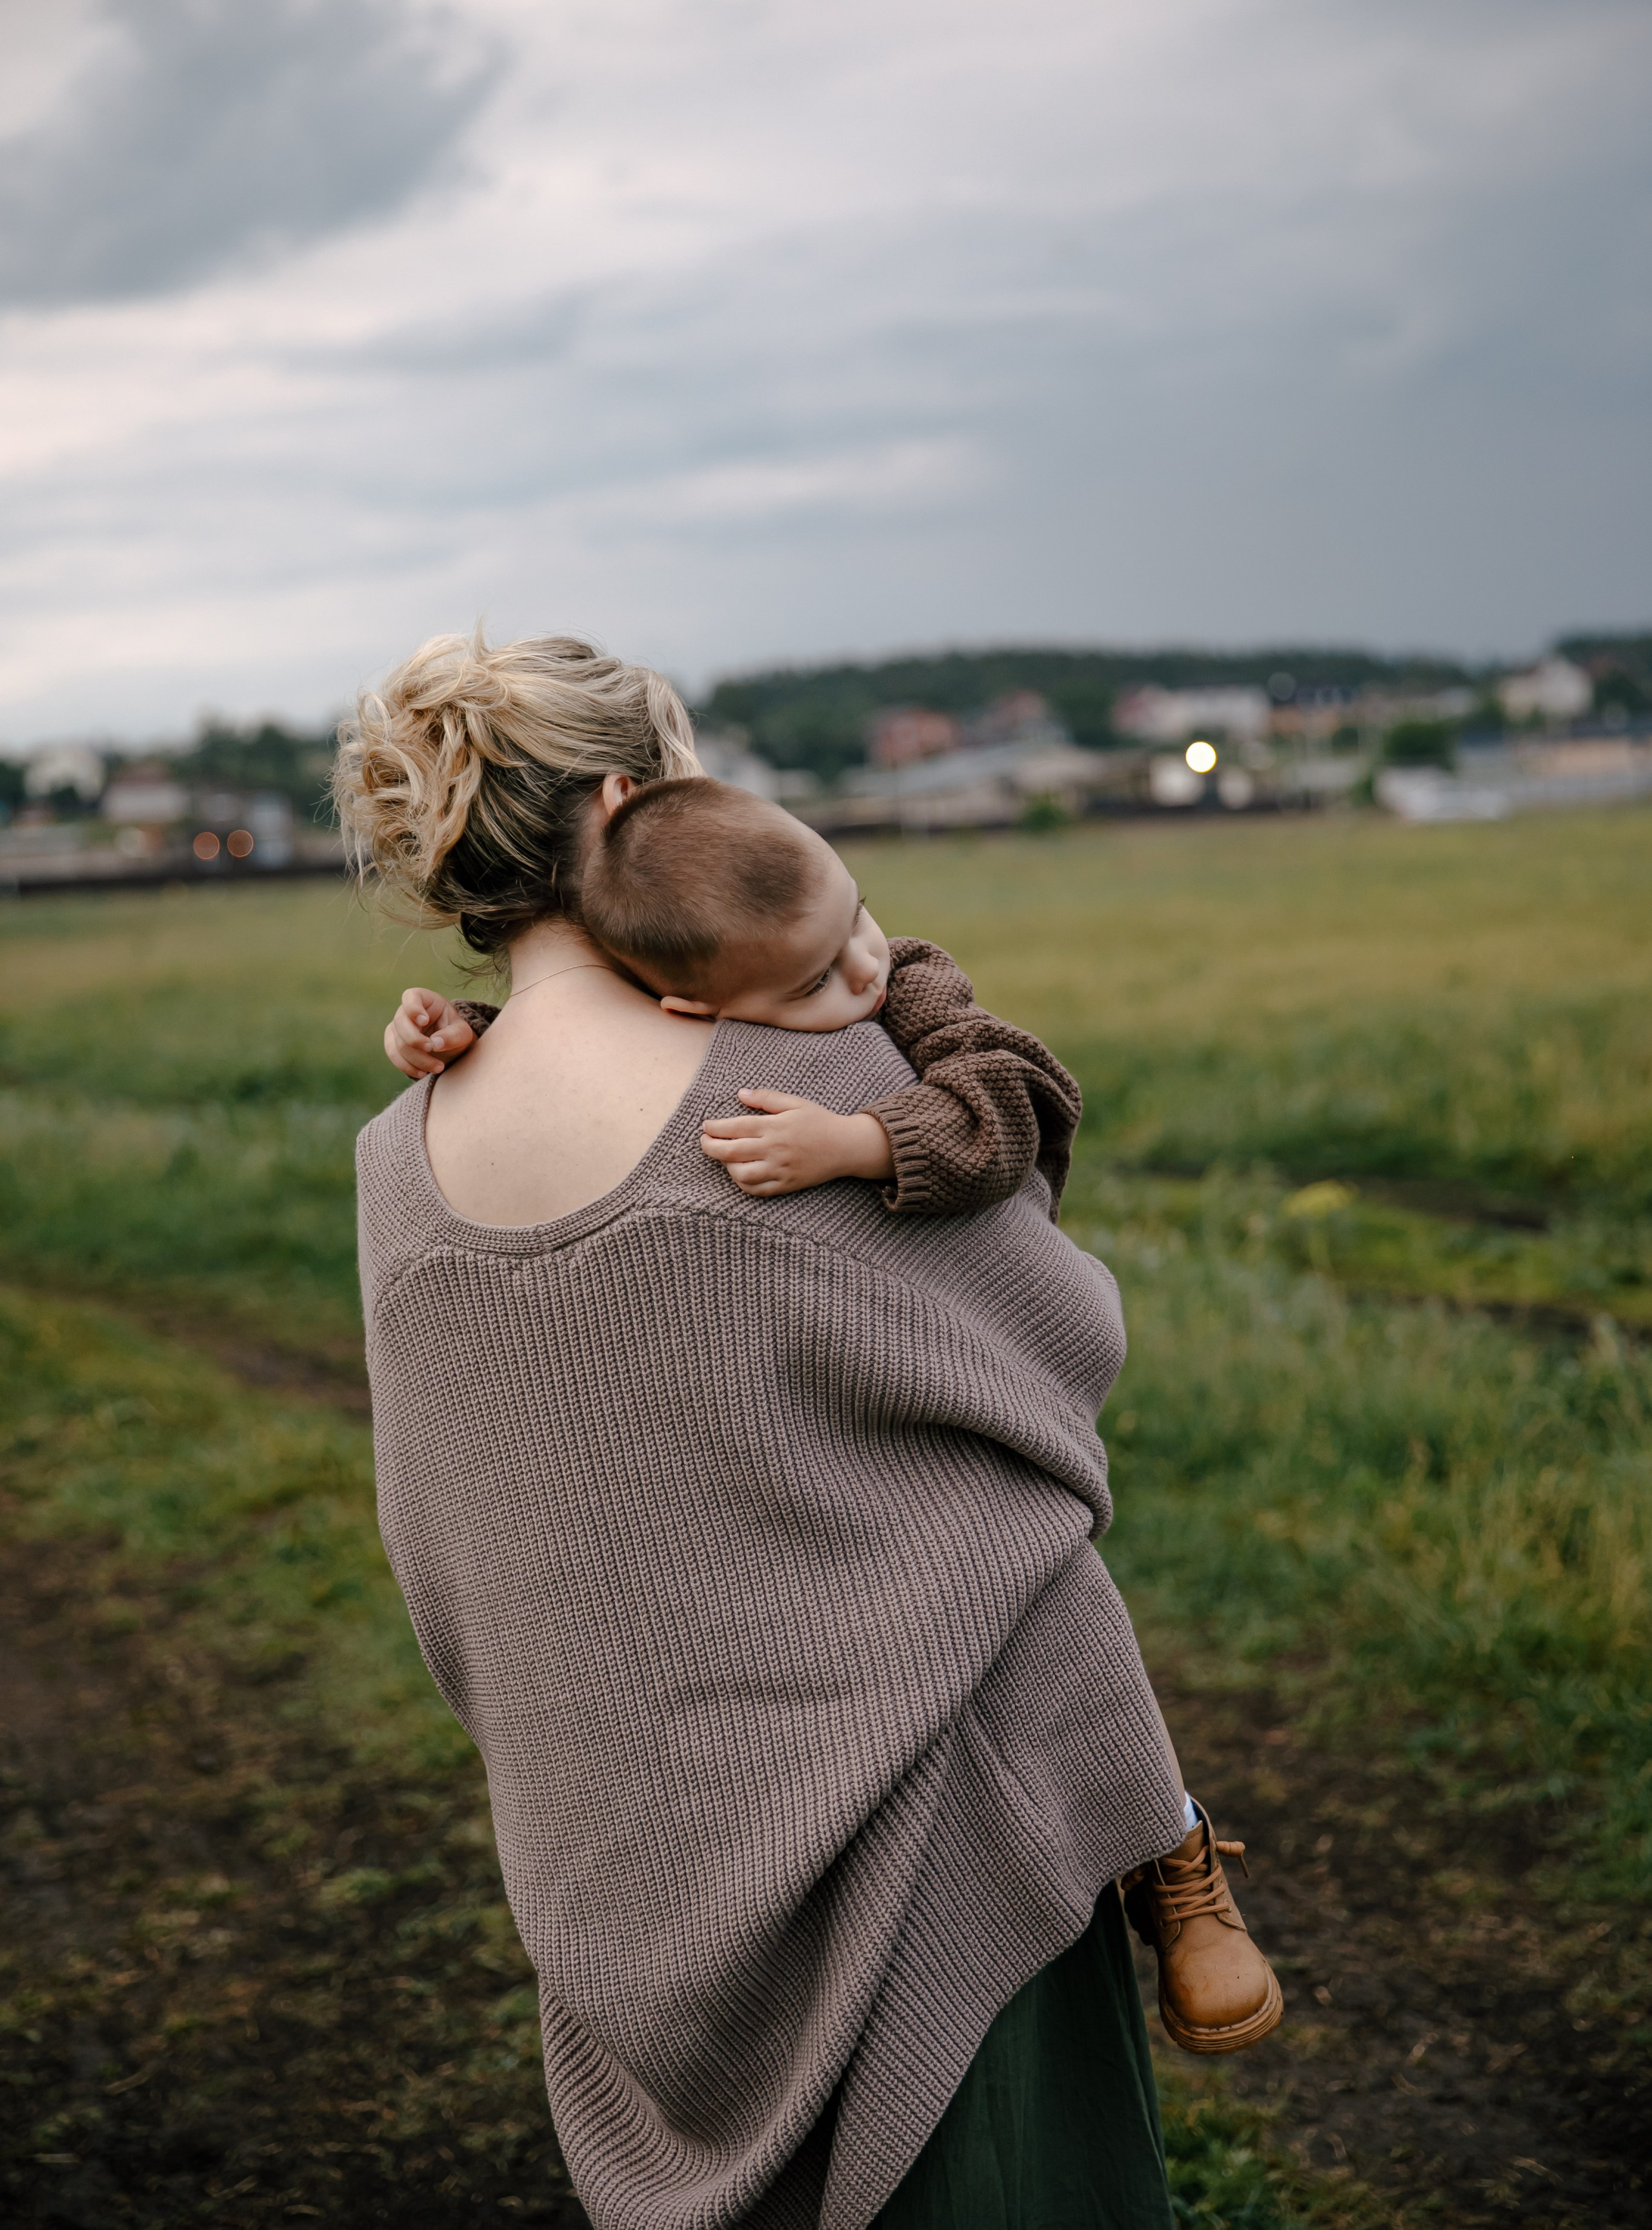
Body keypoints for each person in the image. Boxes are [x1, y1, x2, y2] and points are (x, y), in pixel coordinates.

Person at [341, 630, 1278, 2230]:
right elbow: (1054, 1341)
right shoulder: (803, 1087)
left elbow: (444, 1549)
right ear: (626, 801)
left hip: (620, 1869)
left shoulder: (398, 1155)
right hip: (929, 1851)